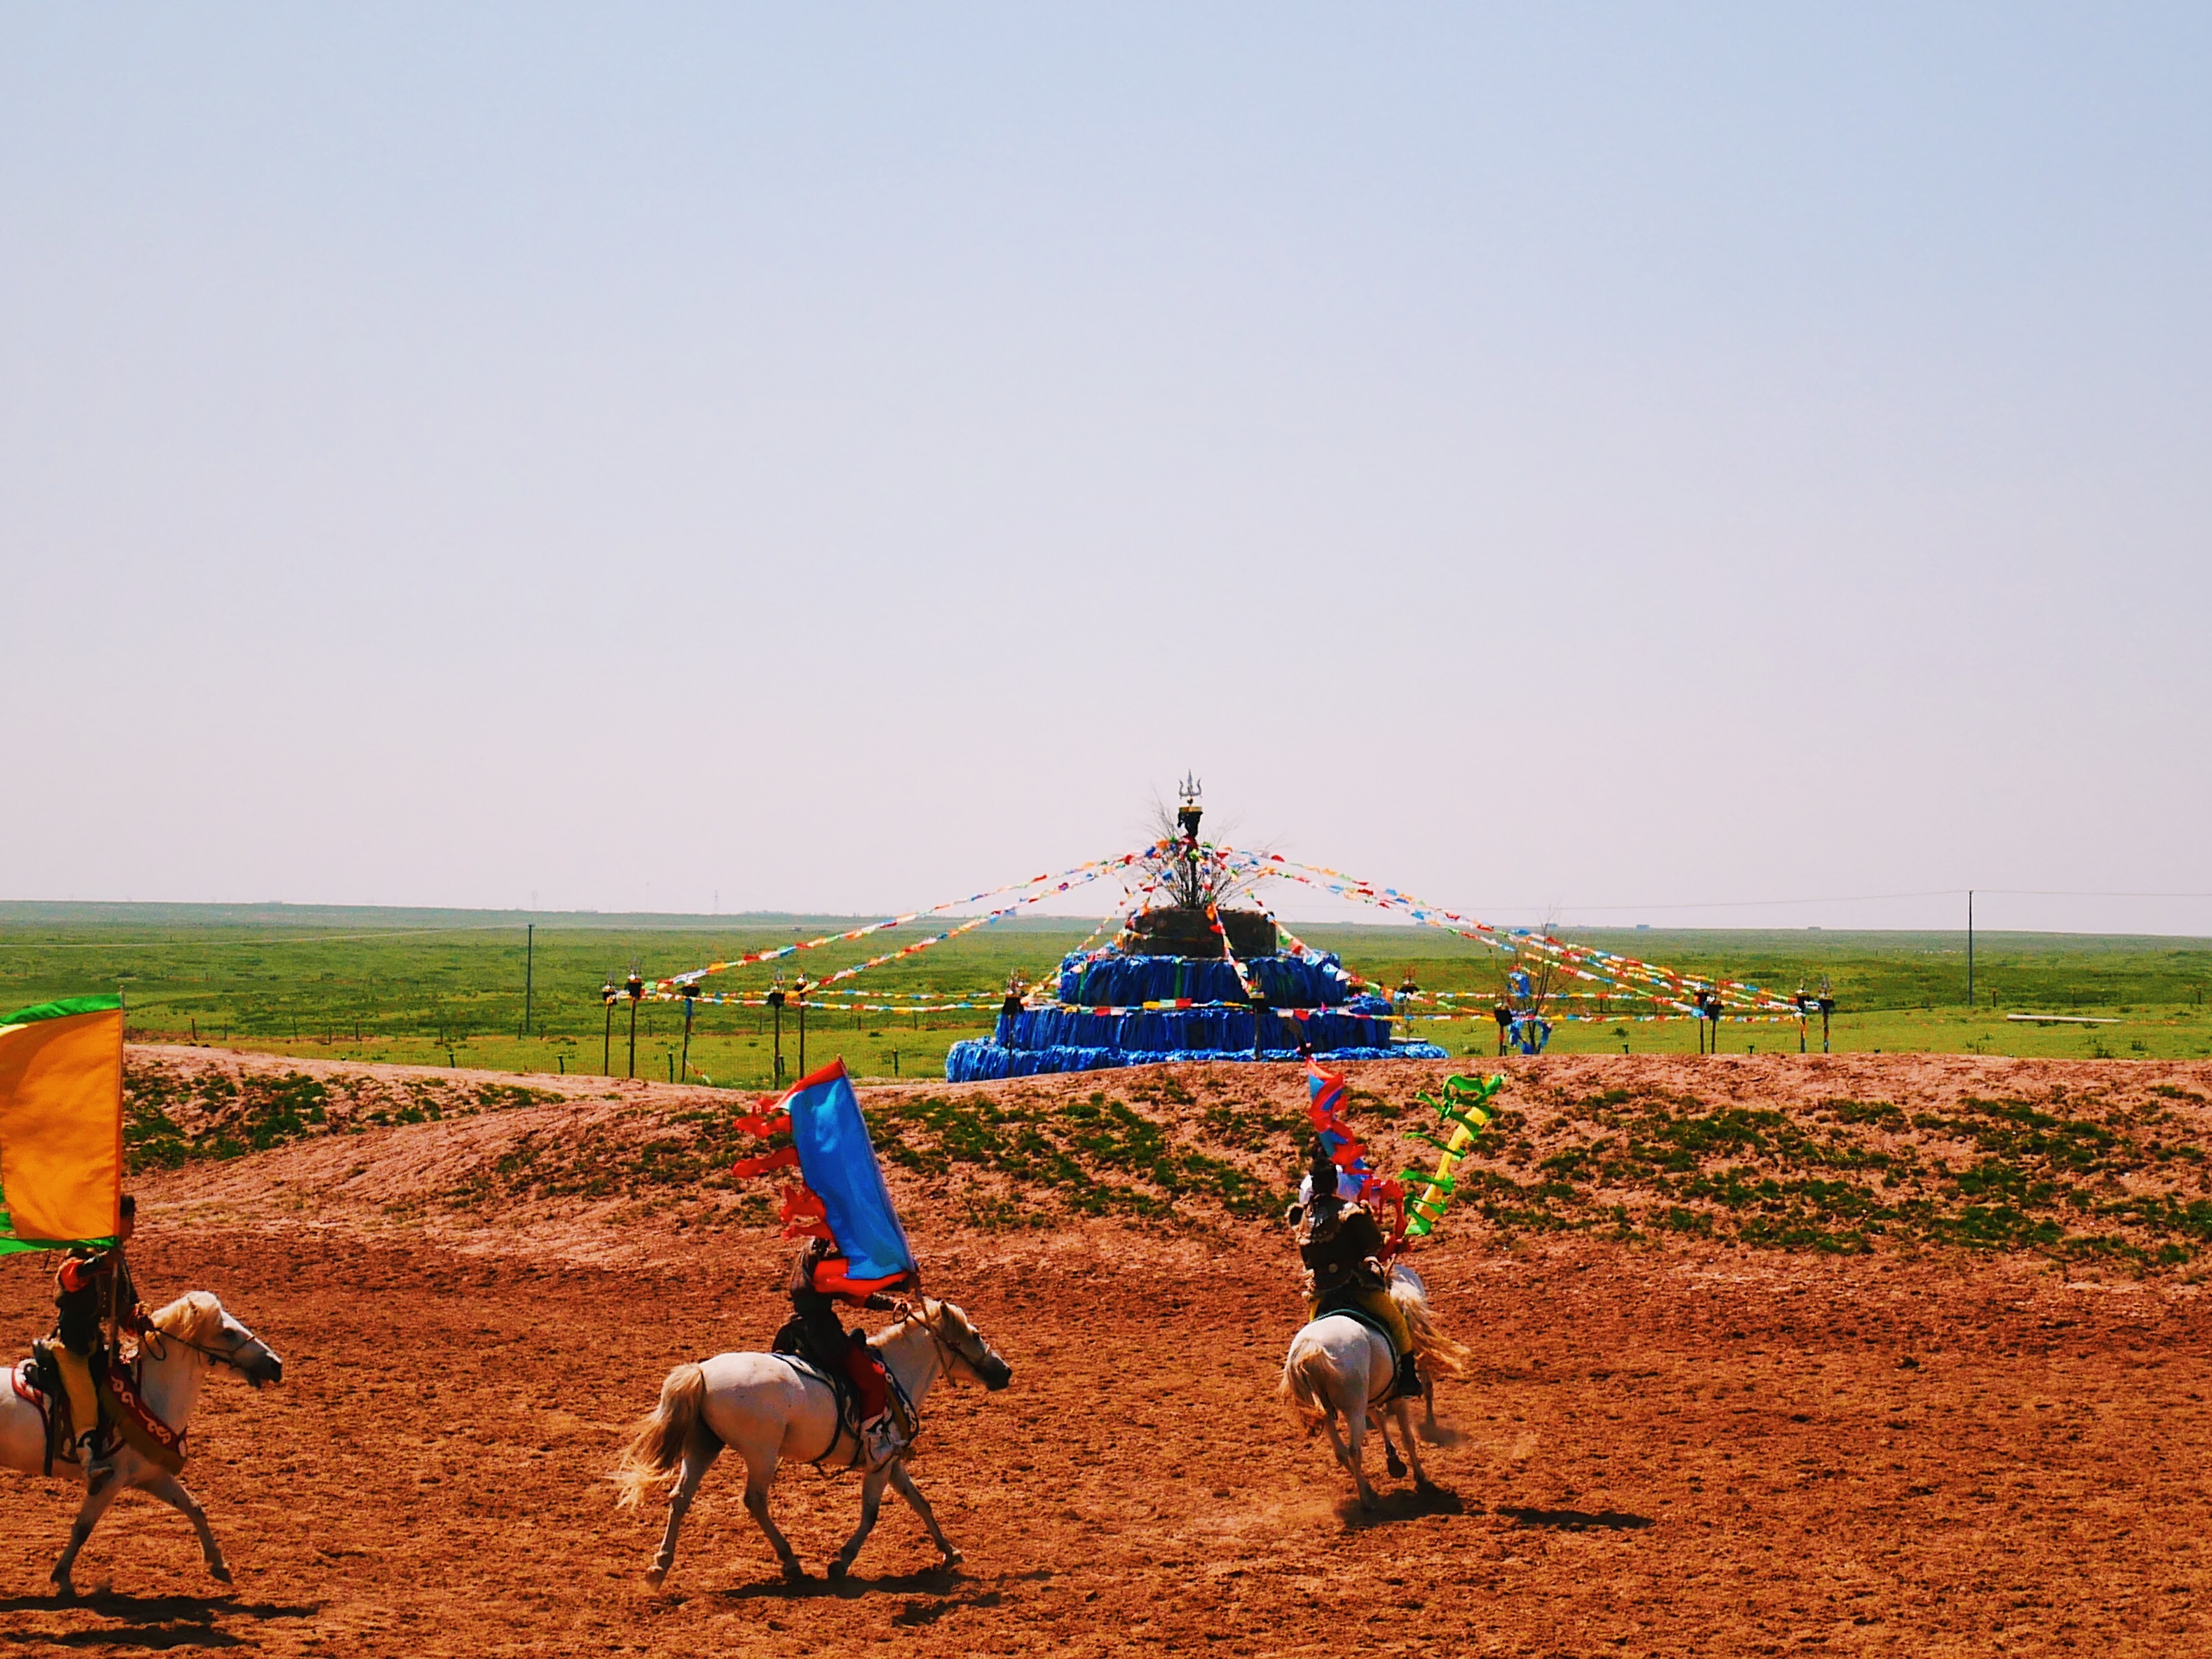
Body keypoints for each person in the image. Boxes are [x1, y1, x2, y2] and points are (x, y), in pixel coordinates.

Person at [777, 1235, 918, 1466]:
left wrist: (891, 1302)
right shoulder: (826, 1258)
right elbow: (854, 1291)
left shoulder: (810, 1249)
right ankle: (874, 1443)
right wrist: (902, 1284)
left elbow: (850, 1288)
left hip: (794, 1330)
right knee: (874, 1378)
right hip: (823, 1335)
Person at [1294, 1140, 1419, 1399]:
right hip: (1355, 1285)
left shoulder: (1303, 1219)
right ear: (1336, 1184)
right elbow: (1375, 1248)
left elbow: (1308, 1260)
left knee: (1310, 1336)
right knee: (1397, 1321)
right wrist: (1395, 1246)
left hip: (1322, 1292)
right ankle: (1408, 1375)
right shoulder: (1350, 1212)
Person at [52, 1194, 150, 1489]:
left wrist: (138, 1320)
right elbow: (68, 1277)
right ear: (114, 1220)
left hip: (96, 1345)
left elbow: (126, 1309)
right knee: (84, 1397)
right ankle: (88, 1458)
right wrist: (99, 1263)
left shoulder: (119, 1259)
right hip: (71, 1345)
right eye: (128, 1219)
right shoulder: (83, 1249)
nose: (133, 1225)